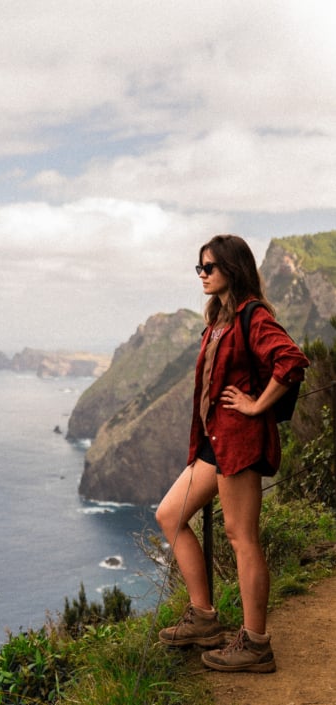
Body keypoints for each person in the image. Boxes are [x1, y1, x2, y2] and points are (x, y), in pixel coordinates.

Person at [155, 234, 310, 673]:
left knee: (242, 538)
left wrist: (257, 405)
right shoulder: (219, 318)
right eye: (199, 268)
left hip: (239, 442)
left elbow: (291, 360)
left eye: (210, 267)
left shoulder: (252, 315)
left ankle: (256, 642)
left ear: (232, 269)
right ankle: (204, 617)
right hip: (214, 442)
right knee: (169, 515)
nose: (202, 275)